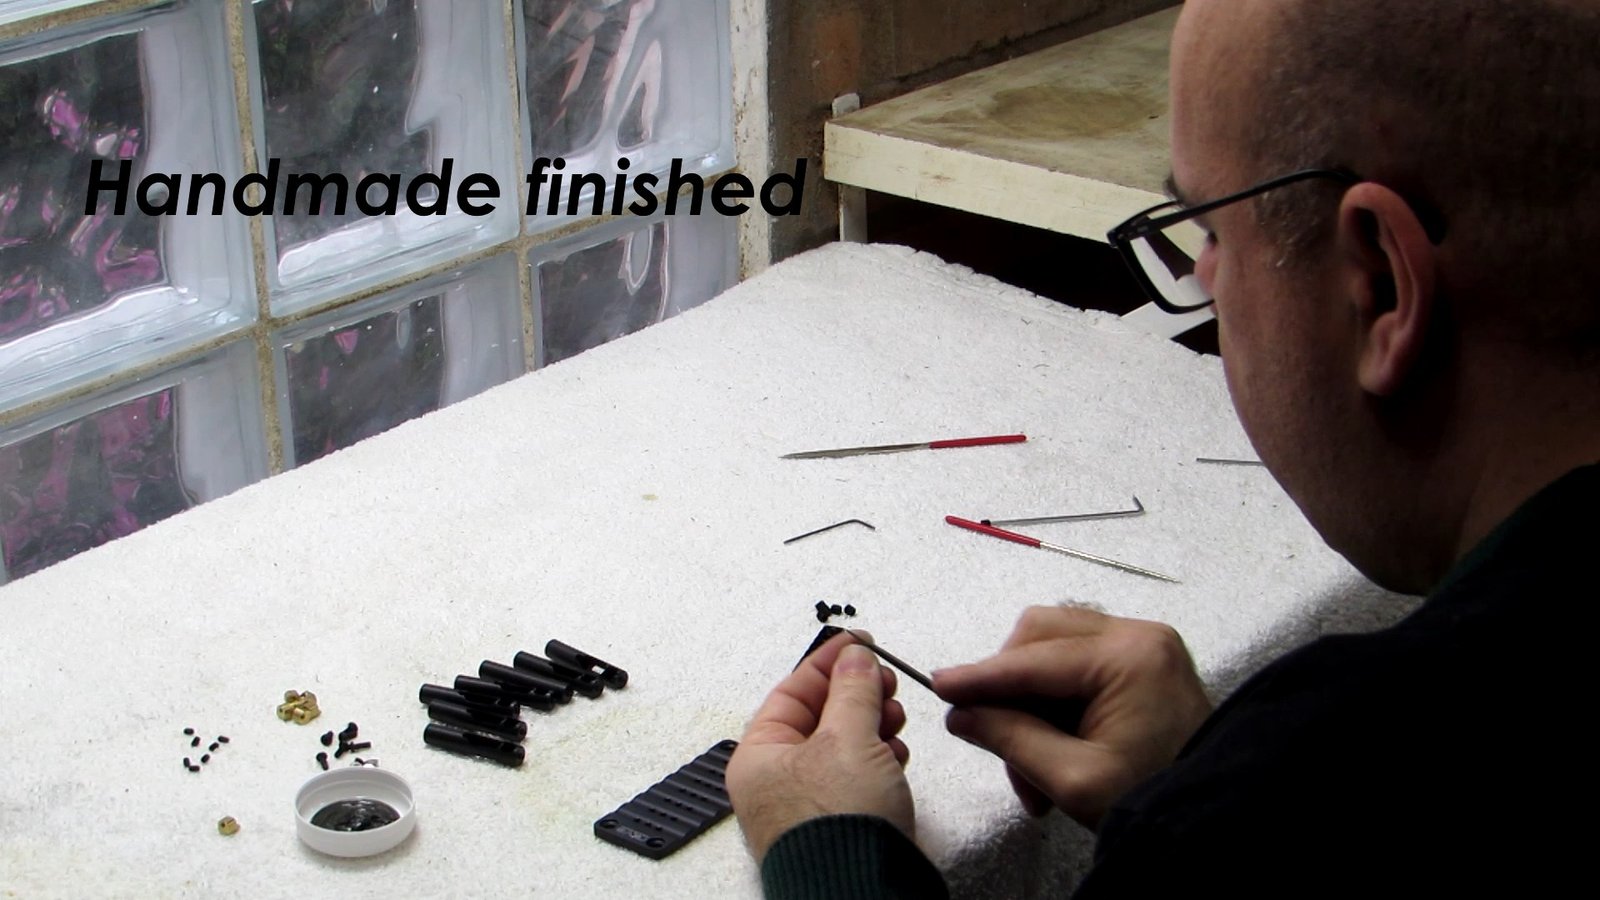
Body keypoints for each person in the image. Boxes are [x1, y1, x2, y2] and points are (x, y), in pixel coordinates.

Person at [726, 0, 1600, 894]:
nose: (1203, 277)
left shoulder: (1358, 771)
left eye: (1215, 232)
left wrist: (829, 847)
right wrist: (1198, 774)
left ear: (1376, 283)